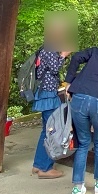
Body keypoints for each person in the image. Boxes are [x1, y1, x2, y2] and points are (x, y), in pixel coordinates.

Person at [64, 40, 98, 194]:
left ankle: (77, 188)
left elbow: (75, 57)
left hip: (80, 97)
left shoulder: (96, 51)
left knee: (82, 143)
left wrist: (69, 81)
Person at [31, 16, 72, 179]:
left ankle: (38, 164)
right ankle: (45, 169)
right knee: (53, 130)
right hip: (48, 95)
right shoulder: (49, 48)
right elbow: (55, 68)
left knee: (46, 131)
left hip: (46, 94)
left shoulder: (47, 48)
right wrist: (64, 54)